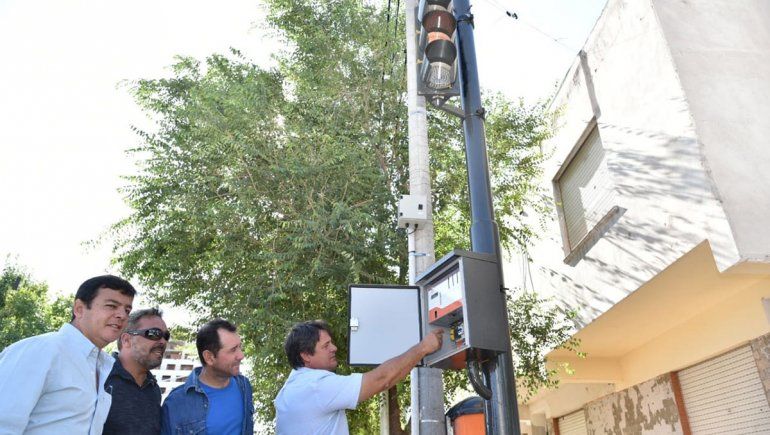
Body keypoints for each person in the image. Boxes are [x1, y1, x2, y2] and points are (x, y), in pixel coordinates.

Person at [0, 275, 136, 435]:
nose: (122, 315)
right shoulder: (40, 350)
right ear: (79, 309)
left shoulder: (102, 365)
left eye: (127, 310)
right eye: (112, 306)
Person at [274, 320, 443, 434]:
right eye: (326, 345)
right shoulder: (315, 386)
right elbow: (382, 380)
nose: (334, 348)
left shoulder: (290, 389)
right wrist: (423, 347)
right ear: (306, 356)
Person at [161, 319, 254, 435]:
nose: (241, 355)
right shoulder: (176, 403)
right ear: (209, 357)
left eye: (240, 347)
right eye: (233, 350)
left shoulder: (244, 386)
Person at [103, 308, 169, 435]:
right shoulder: (99, 379)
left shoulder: (153, 389)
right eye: (154, 333)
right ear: (126, 340)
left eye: (166, 336)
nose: (163, 341)